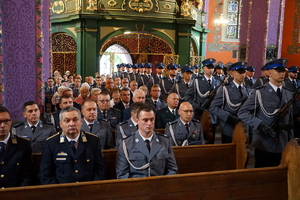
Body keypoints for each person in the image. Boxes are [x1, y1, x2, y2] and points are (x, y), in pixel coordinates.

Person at [238, 58, 294, 168]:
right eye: (279, 71)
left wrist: (291, 141)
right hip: (265, 143)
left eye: (283, 71)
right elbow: (242, 112)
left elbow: (290, 119)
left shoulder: (288, 93)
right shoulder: (259, 92)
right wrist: (260, 124)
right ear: (269, 72)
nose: (282, 73)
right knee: (263, 176)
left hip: (283, 143)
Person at [39, 107, 106, 184]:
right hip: (62, 191)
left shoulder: (93, 140)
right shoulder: (51, 143)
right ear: (60, 124)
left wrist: (93, 188)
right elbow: (46, 174)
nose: (71, 124)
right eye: (67, 121)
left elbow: (100, 170)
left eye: (75, 120)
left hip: (88, 190)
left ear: (81, 121)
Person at [116, 104, 178, 178]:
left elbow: (172, 169)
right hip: (136, 186)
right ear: (137, 121)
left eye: (152, 119)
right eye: (145, 120)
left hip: (160, 185)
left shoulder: (165, 141)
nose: (149, 123)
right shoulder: (126, 143)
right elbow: (122, 174)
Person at [210, 62, 251, 143]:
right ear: (232, 73)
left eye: (244, 72)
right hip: (229, 127)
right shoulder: (225, 89)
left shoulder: (248, 90)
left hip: (244, 126)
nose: (242, 75)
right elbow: (213, 107)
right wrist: (228, 117)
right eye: (240, 72)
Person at [0, 106, 34, 188]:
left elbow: (27, 176)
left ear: (11, 122)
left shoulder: (23, 144)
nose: (2, 125)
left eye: (6, 121)